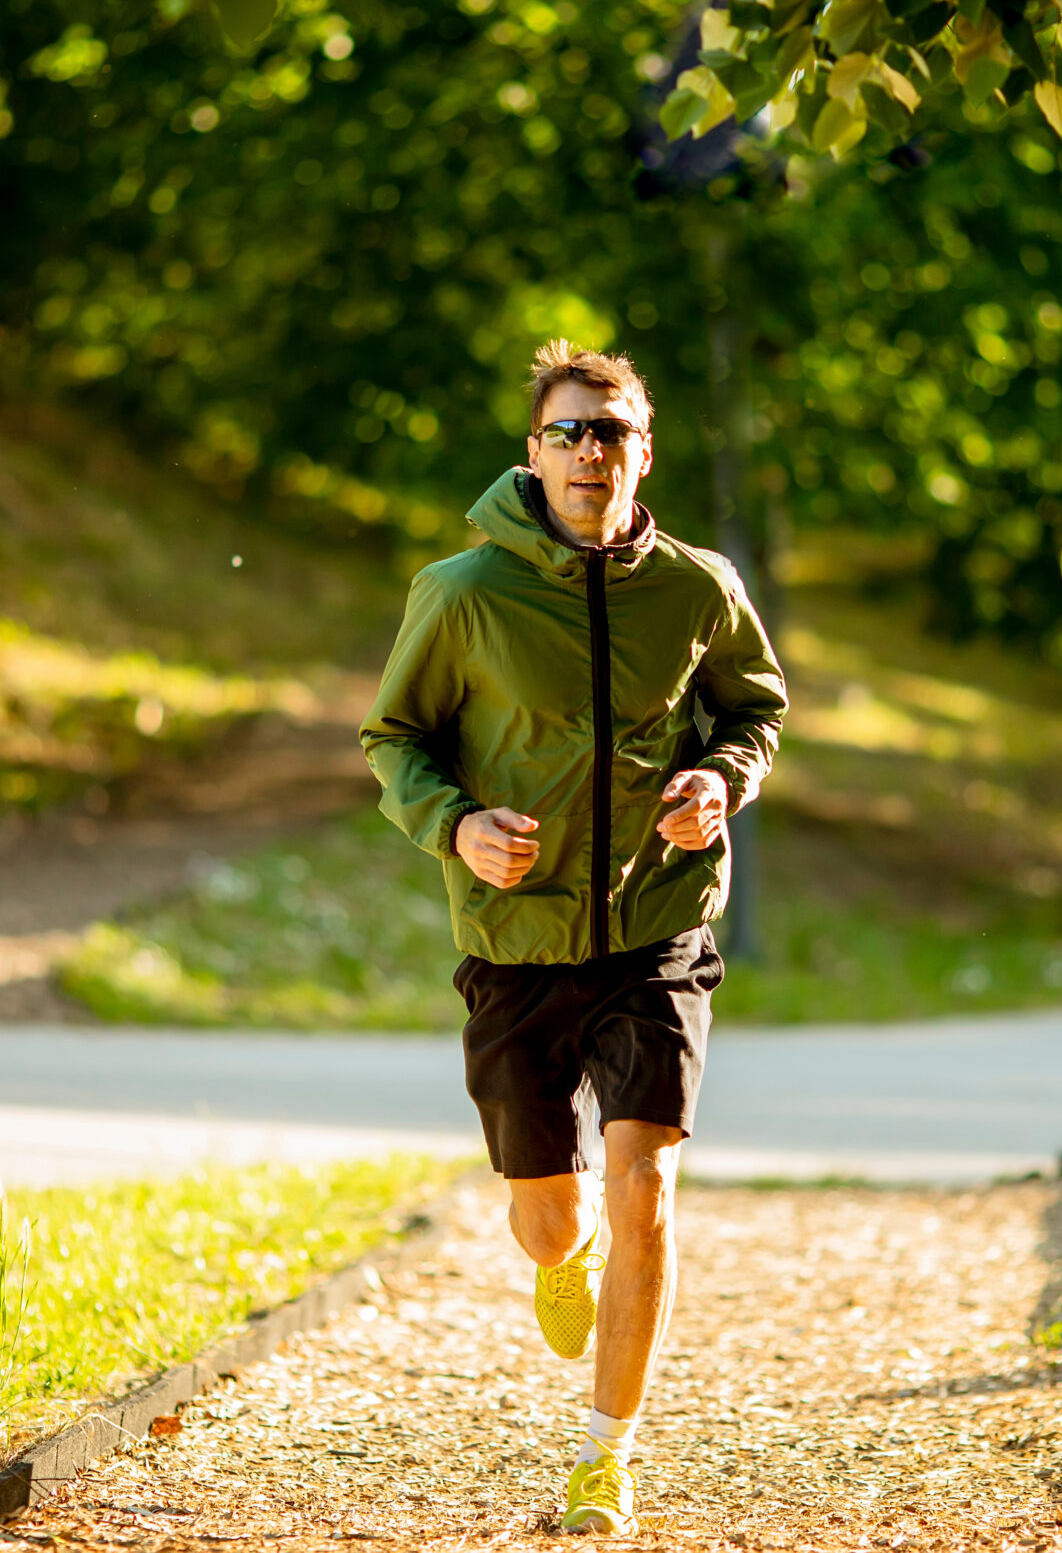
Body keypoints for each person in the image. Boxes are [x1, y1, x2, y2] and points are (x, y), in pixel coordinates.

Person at [361, 340, 788, 1535]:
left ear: (645, 452)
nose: (593, 450)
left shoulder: (698, 588)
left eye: (614, 431)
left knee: (648, 1185)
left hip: (657, 925)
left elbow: (752, 711)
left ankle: (606, 1455)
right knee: (552, 1213)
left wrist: (719, 779)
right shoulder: (461, 593)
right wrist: (455, 826)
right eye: (572, 432)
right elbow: (393, 738)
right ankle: (561, 1254)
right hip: (515, 937)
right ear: (533, 456)